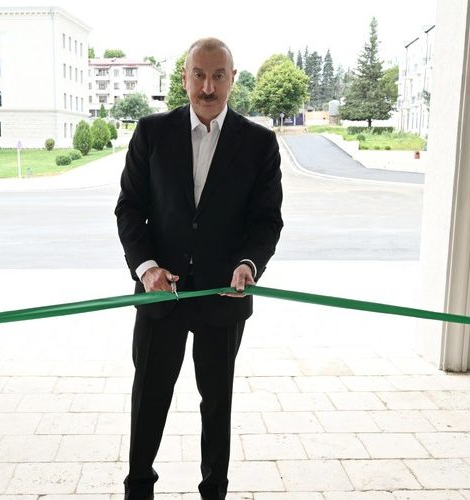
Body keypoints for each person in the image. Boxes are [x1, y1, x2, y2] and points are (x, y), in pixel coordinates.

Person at [115, 38, 283, 499]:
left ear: (232, 79)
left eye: (218, 76)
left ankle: (214, 491)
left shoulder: (260, 143)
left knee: (217, 402)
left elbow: (266, 220)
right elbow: (130, 209)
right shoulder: (151, 132)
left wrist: (248, 264)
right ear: (185, 77)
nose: (208, 87)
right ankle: (138, 489)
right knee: (149, 398)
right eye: (199, 75)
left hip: (223, 297)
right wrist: (146, 268)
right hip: (160, 293)